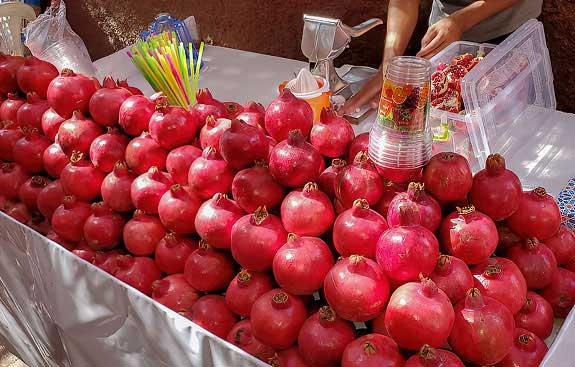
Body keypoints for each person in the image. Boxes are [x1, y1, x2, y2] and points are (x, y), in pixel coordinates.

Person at [340, 0, 543, 115]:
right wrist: (390, 60)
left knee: (513, 132)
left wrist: (462, 21)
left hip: (511, 35)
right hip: (443, 38)